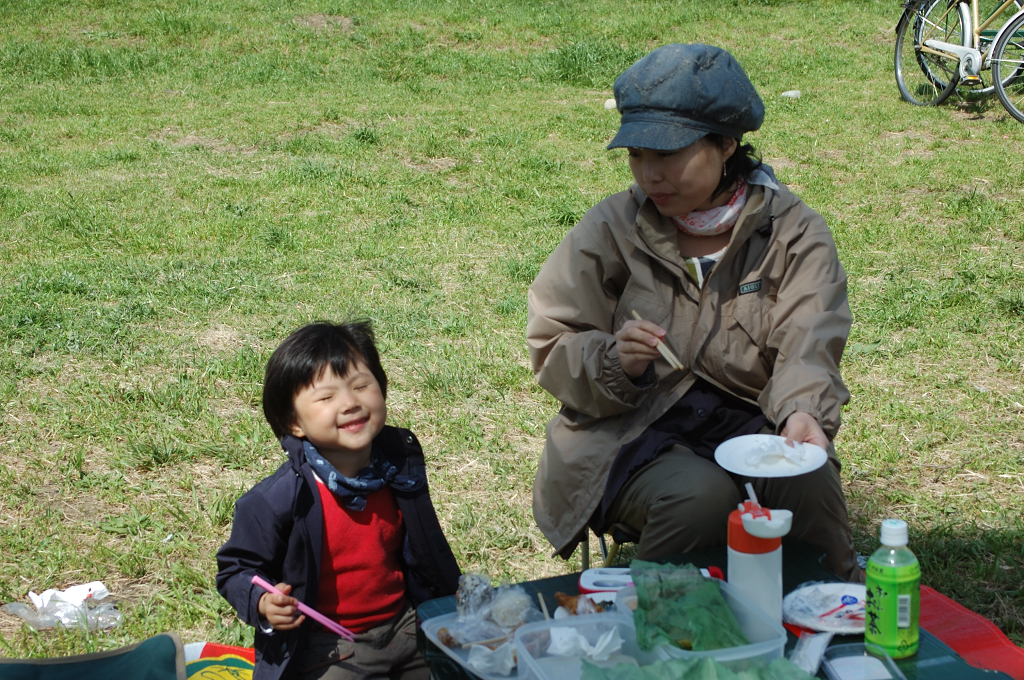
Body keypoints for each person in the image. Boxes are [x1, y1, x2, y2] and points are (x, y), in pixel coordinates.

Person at [527, 43, 862, 582]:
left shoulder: (792, 232)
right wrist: (616, 361)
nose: (650, 175)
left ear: (726, 144)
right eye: (637, 155)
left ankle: (827, 610)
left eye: (668, 154)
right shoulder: (612, 227)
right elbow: (553, 339)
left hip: (749, 421)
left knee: (807, 480)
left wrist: (804, 411)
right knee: (699, 498)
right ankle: (656, 621)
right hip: (632, 430)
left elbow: (809, 340)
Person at [216, 320, 461, 680]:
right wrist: (263, 602)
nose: (350, 403)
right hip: (329, 644)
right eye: (327, 397)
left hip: (406, 626)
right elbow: (236, 569)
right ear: (294, 423)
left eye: (361, 386)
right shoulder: (278, 499)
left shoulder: (398, 467)